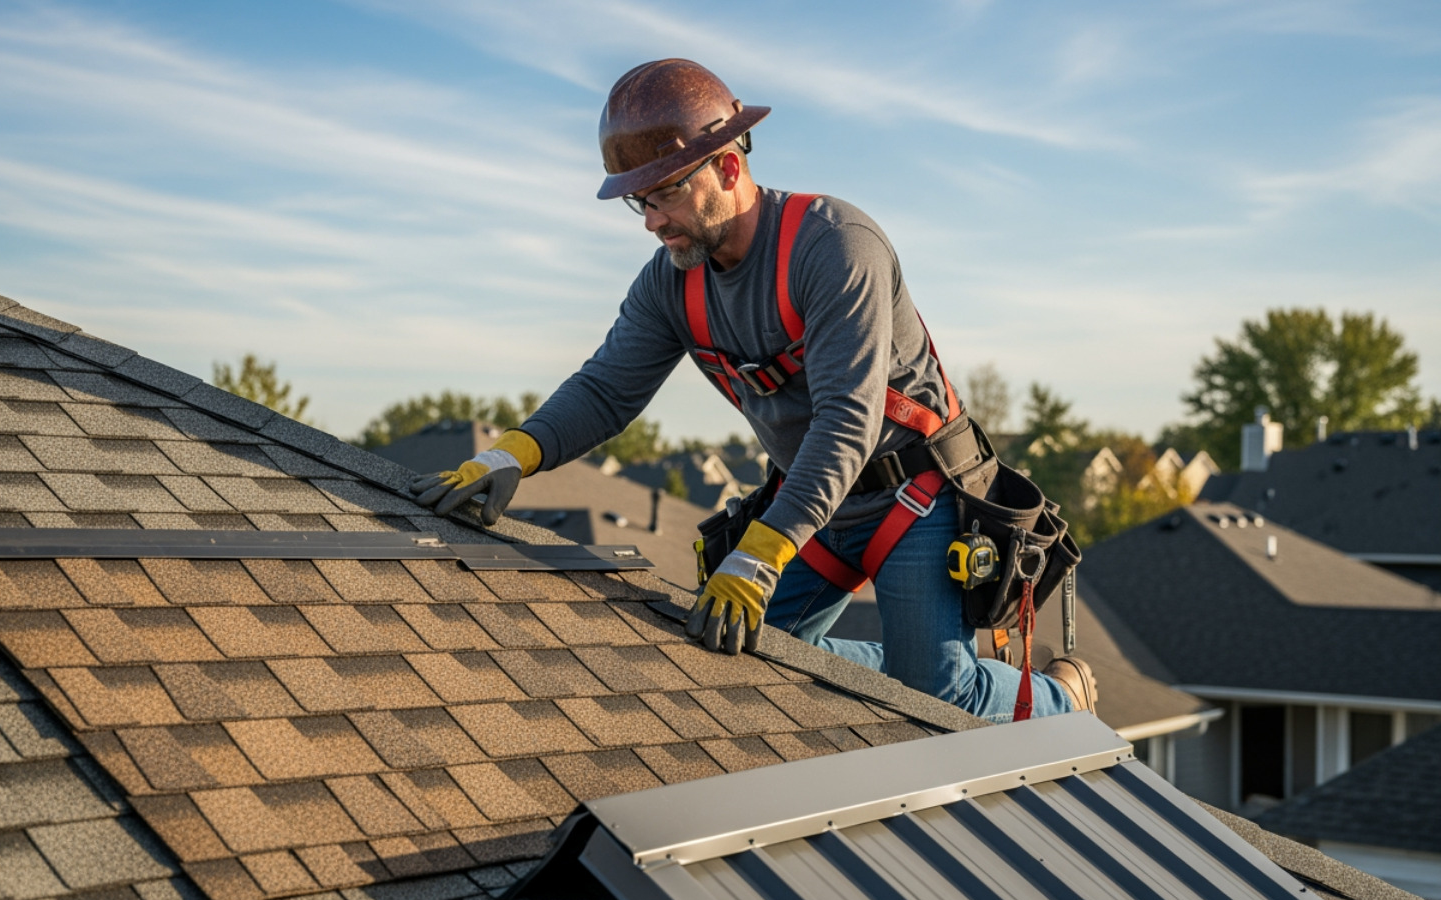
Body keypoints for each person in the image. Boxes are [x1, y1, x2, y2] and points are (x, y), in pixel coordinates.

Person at [412, 59, 1095, 722]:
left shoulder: (834, 246)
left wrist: (762, 555)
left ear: (729, 168)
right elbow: (603, 390)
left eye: (667, 194)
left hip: (914, 495)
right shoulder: (671, 284)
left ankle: (1062, 694)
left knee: (936, 698)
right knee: (742, 650)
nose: (652, 220)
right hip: (822, 501)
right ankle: (905, 663)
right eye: (639, 202)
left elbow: (845, 424)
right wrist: (508, 458)